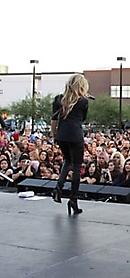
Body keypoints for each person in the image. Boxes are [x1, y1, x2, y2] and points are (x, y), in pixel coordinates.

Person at [50, 74, 90, 215]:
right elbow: (83, 119)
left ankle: (58, 188)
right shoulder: (83, 102)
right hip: (75, 135)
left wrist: (53, 135)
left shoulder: (58, 99)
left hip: (62, 135)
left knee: (67, 161)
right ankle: (73, 200)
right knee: (77, 167)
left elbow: (54, 119)